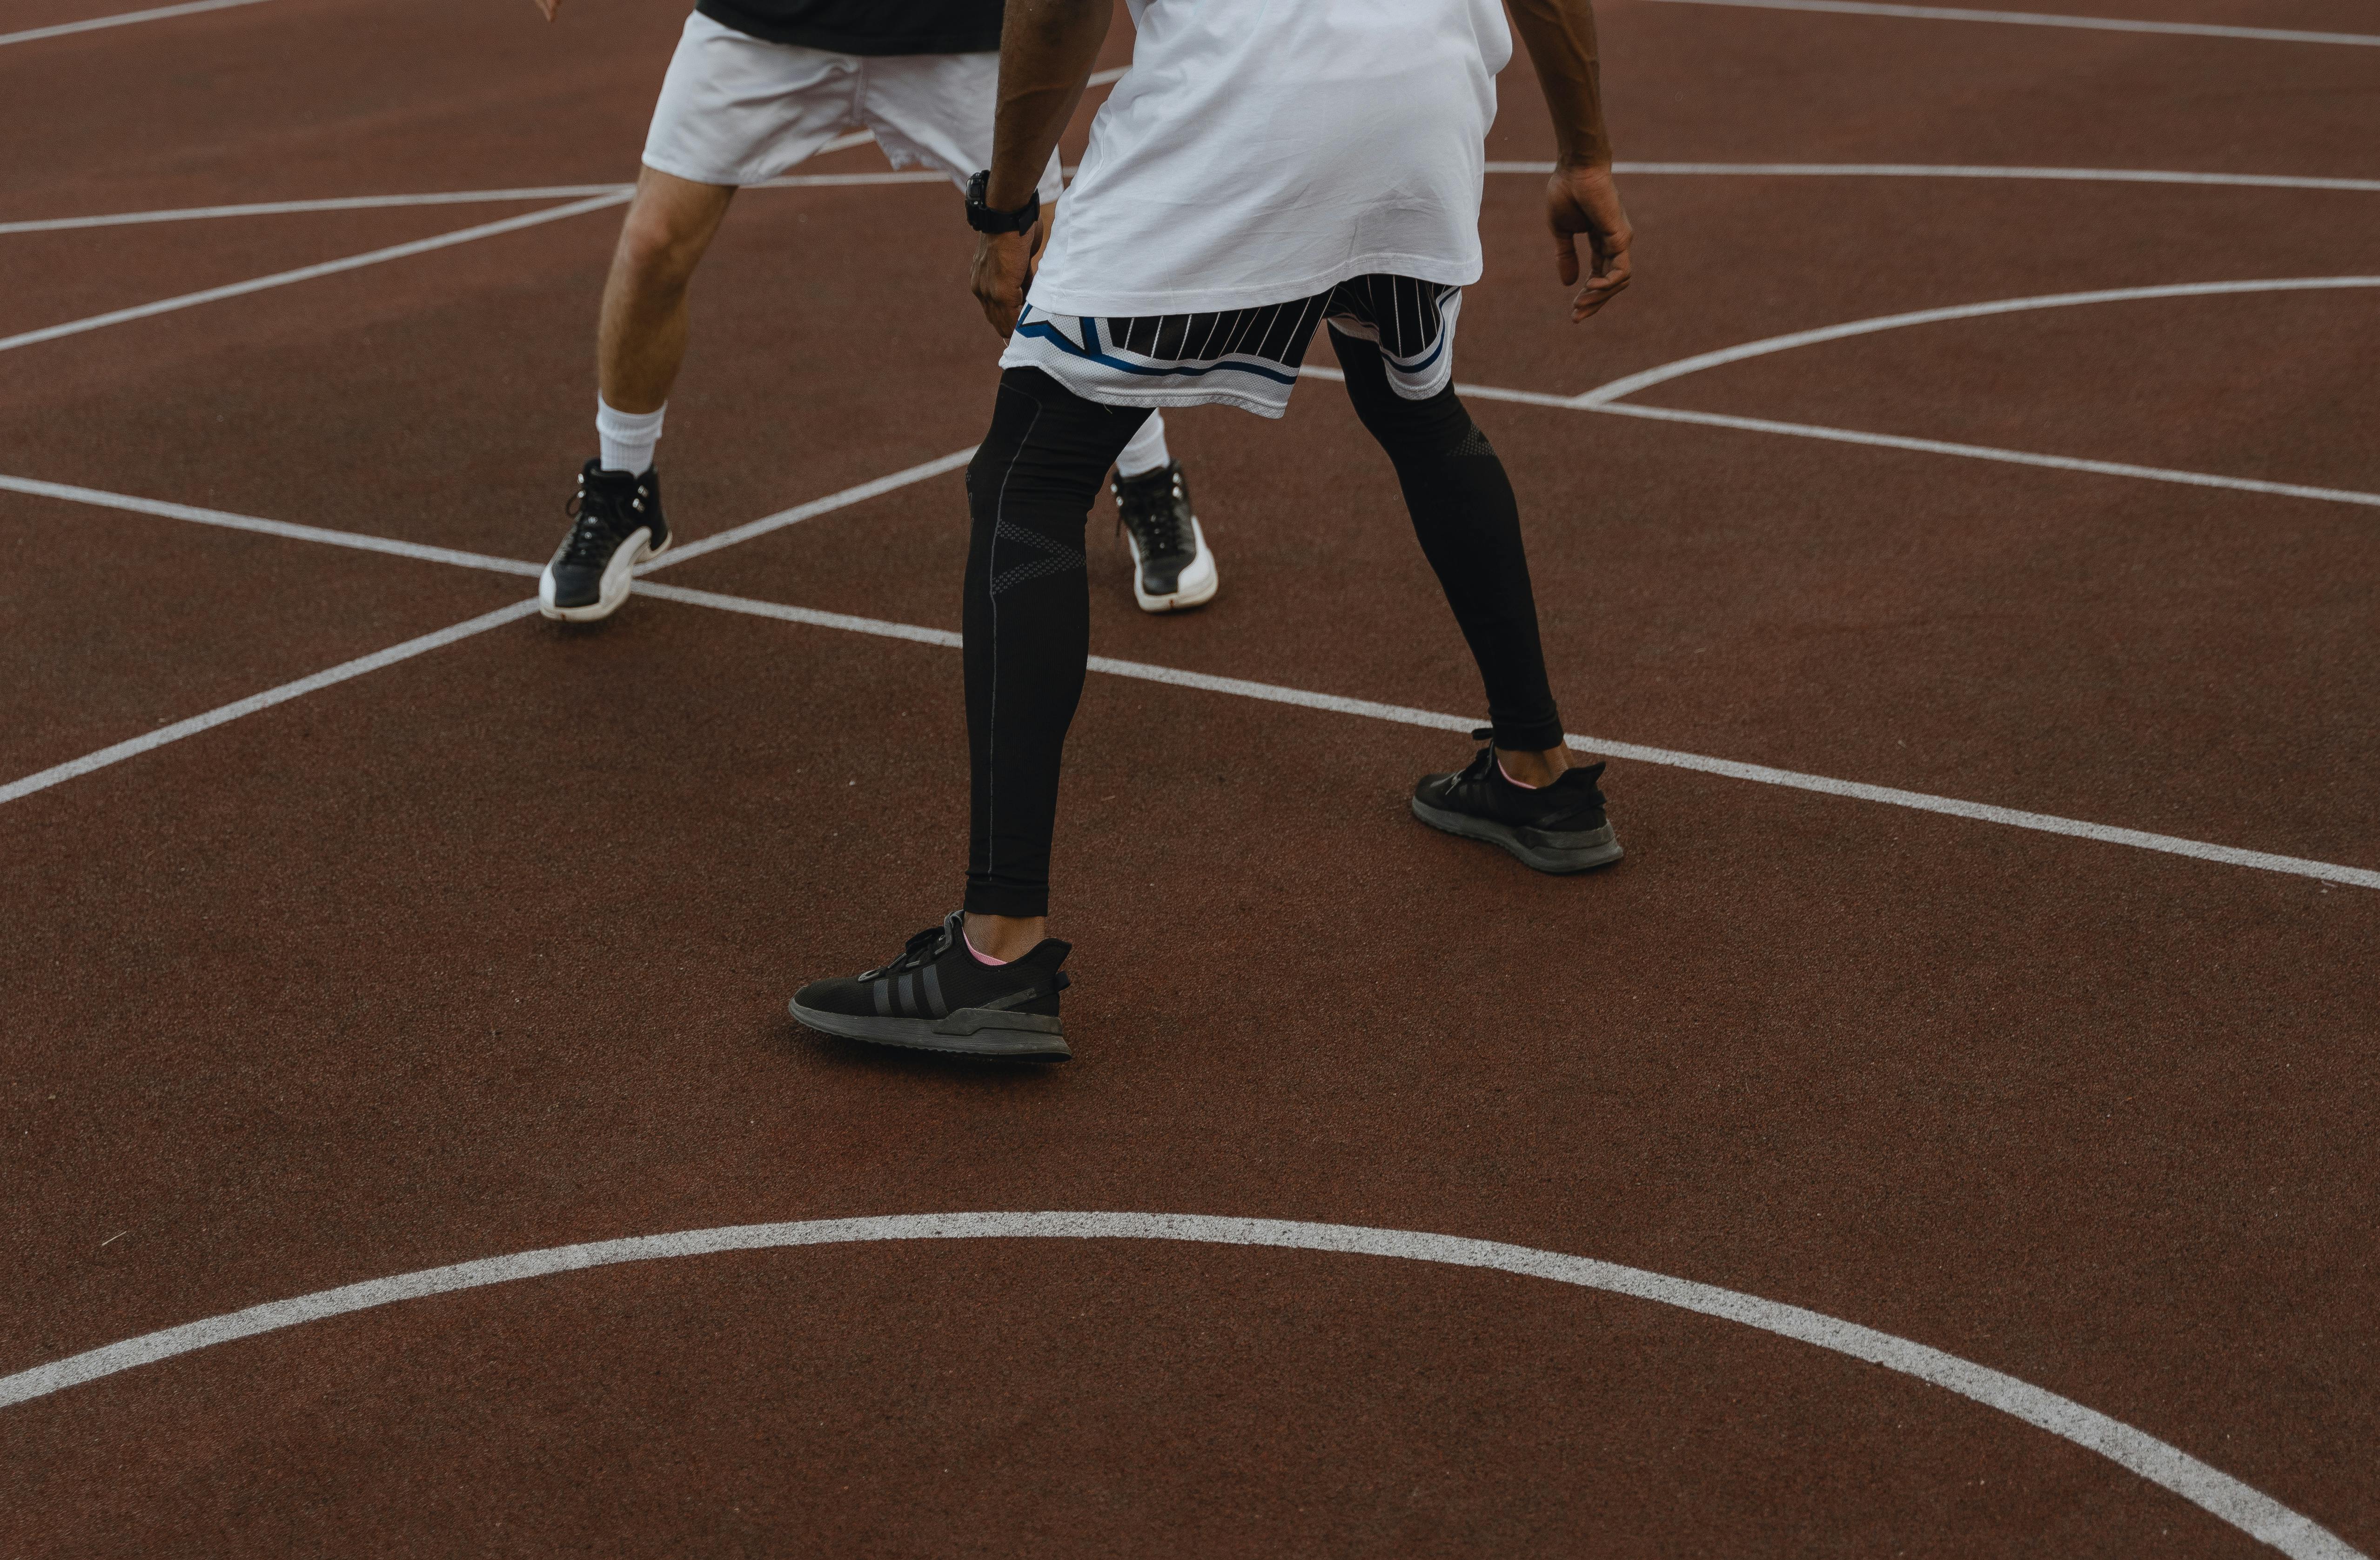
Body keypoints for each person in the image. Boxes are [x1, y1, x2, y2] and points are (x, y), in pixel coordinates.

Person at [788, 0, 1635, 1062]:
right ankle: (1537, 776)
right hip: (1423, 95)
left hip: (1250, 108)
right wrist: (1585, 152)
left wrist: (1005, 206)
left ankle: (994, 957)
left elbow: (1055, 7)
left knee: (1030, 479)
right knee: (1416, 408)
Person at [529, 0, 1220, 622]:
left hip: (957, 30)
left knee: (1046, 272)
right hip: (766, 23)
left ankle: (1148, 478)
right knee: (651, 246)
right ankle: (623, 489)